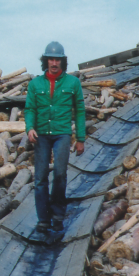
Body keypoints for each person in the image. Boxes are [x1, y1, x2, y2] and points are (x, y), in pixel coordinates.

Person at [25, 41, 86, 234]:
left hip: (62, 134)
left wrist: (81, 138)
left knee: (60, 174)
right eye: (51, 59)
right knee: (41, 178)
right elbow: (30, 109)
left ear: (63, 62)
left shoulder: (72, 83)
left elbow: (80, 111)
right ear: (45, 61)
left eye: (57, 60)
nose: (54, 63)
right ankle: (43, 219)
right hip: (41, 135)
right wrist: (29, 128)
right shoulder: (35, 84)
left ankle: (58, 215)